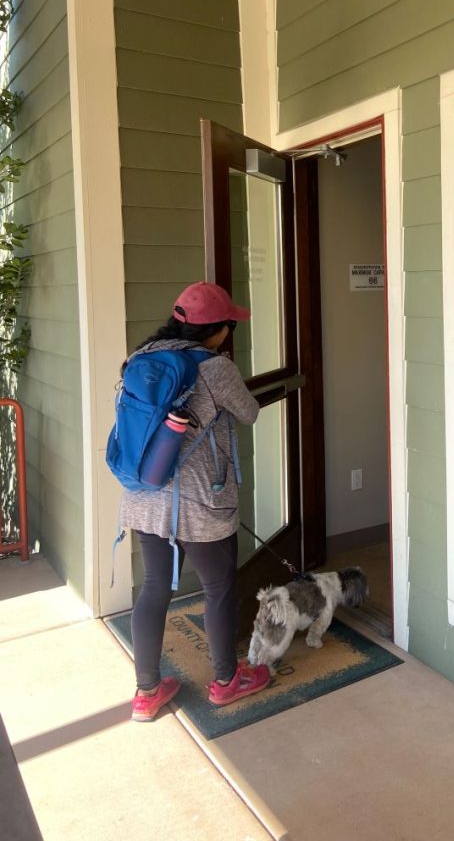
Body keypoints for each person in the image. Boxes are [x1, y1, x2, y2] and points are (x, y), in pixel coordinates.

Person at [119, 281, 271, 722]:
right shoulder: (214, 367)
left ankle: (147, 692)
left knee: (153, 588)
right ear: (220, 330)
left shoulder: (142, 358)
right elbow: (250, 411)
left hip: (145, 495)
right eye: (229, 326)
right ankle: (227, 681)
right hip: (202, 503)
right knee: (218, 588)